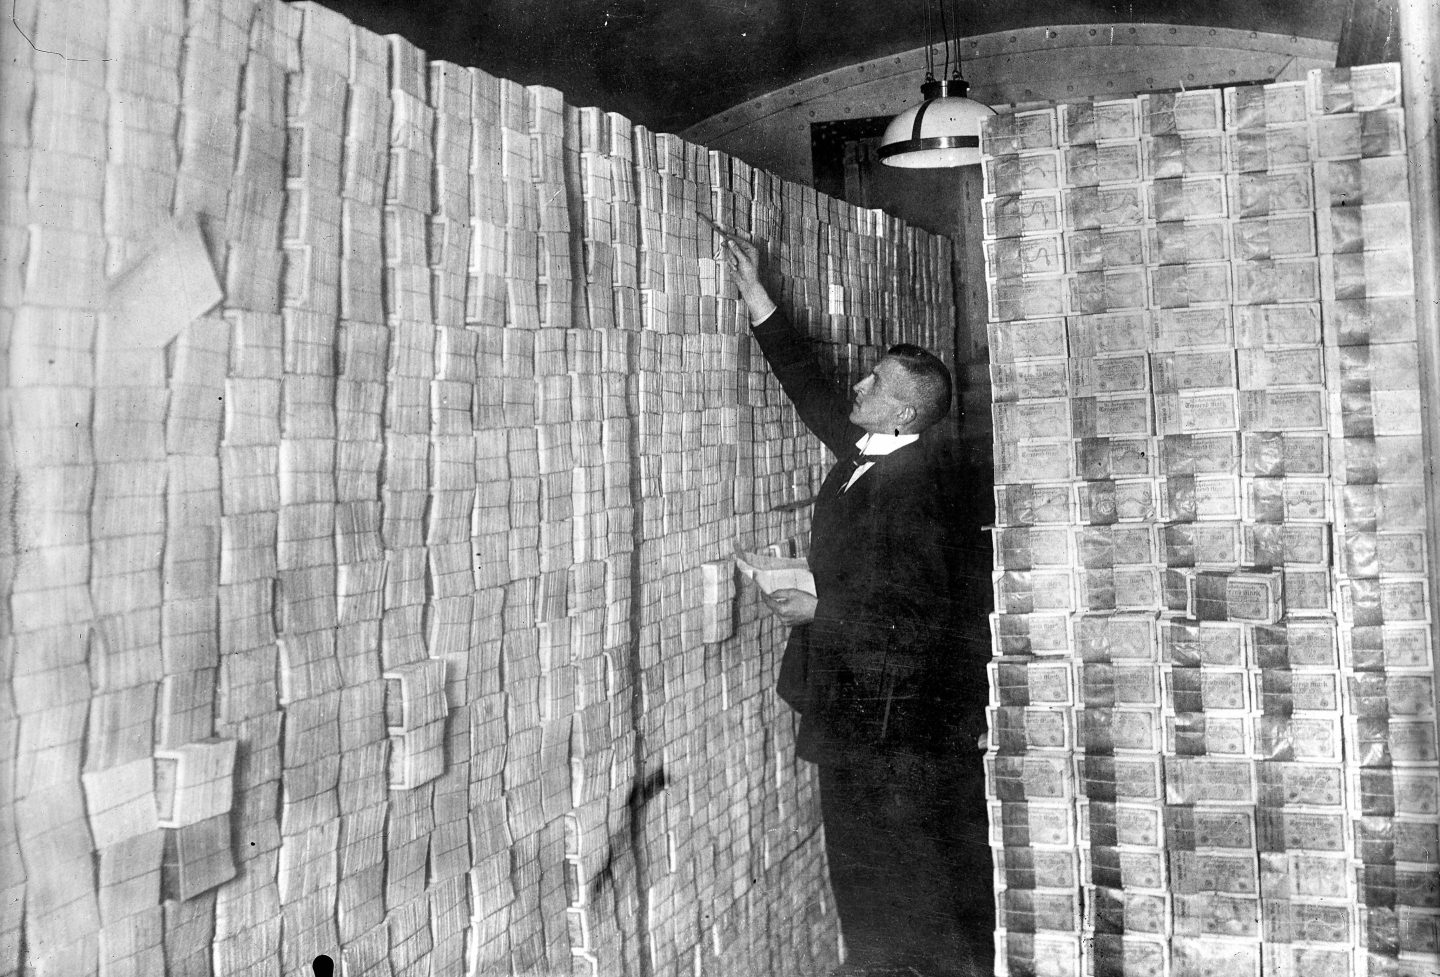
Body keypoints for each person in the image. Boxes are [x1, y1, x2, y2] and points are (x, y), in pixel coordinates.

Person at [717, 226, 992, 977]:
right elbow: (813, 392)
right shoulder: (874, 456)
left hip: (891, 718)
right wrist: (760, 300)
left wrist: (818, 612)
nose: (859, 387)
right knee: (860, 864)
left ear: (904, 415)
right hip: (851, 705)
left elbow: (919, 621)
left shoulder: (917, 491)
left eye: (874, 384)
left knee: (902, 867)